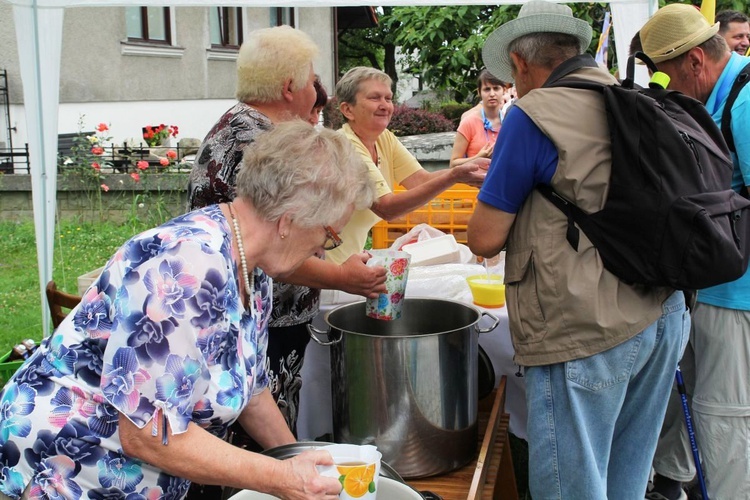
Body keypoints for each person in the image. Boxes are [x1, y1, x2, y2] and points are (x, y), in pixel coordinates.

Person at [0, 121, 377, 500]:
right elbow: (147, 431)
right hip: (64, 469)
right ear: (290, 219)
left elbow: (252, 392)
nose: (323, 251)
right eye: (329, 235)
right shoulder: (189, 264)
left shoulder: (252, 267)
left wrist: (306, 463)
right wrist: (281, 477)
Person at [468, 1, 689, 498]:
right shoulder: (629, 95)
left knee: (573, 486)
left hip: (584, 325)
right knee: (624, 481)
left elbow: (483, 237)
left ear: (522, 64)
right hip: (661, 311)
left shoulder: (533, 113)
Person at [187, 26, 386, 452]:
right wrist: (341, 277)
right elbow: (159, 430)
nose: (319, 92)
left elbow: (249, 385)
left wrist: (291, 462)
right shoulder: (259, 144)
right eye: (326, 233)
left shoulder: (251, 269)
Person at [639, 5, 750, 499]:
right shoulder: (724, 97)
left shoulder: (746, 104)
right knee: (689, 392)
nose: (669, 92)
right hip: (714, 284)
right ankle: (672, 481)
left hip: (737, 293)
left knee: (724, 414)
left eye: (668, 77)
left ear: (697, 62)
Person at [326, 66, 488, 265]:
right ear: (347, 110)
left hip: (351, 260)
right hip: (327, 266)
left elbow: (420, 180)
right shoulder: (346, 146)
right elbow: (387, 209)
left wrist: (463, 172)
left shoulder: (383, 138)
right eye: (374, 98)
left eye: (388, 98)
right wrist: (454, 176)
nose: (385, 105)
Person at [449, 69, 506, 168]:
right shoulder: (469, 123)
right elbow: (453, 164)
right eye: (487, 89)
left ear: (504, 90)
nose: (492, 94)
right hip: (475, 182)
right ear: (479, 92)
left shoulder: (510, 122)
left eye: (496, 88)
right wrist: (478, 158)